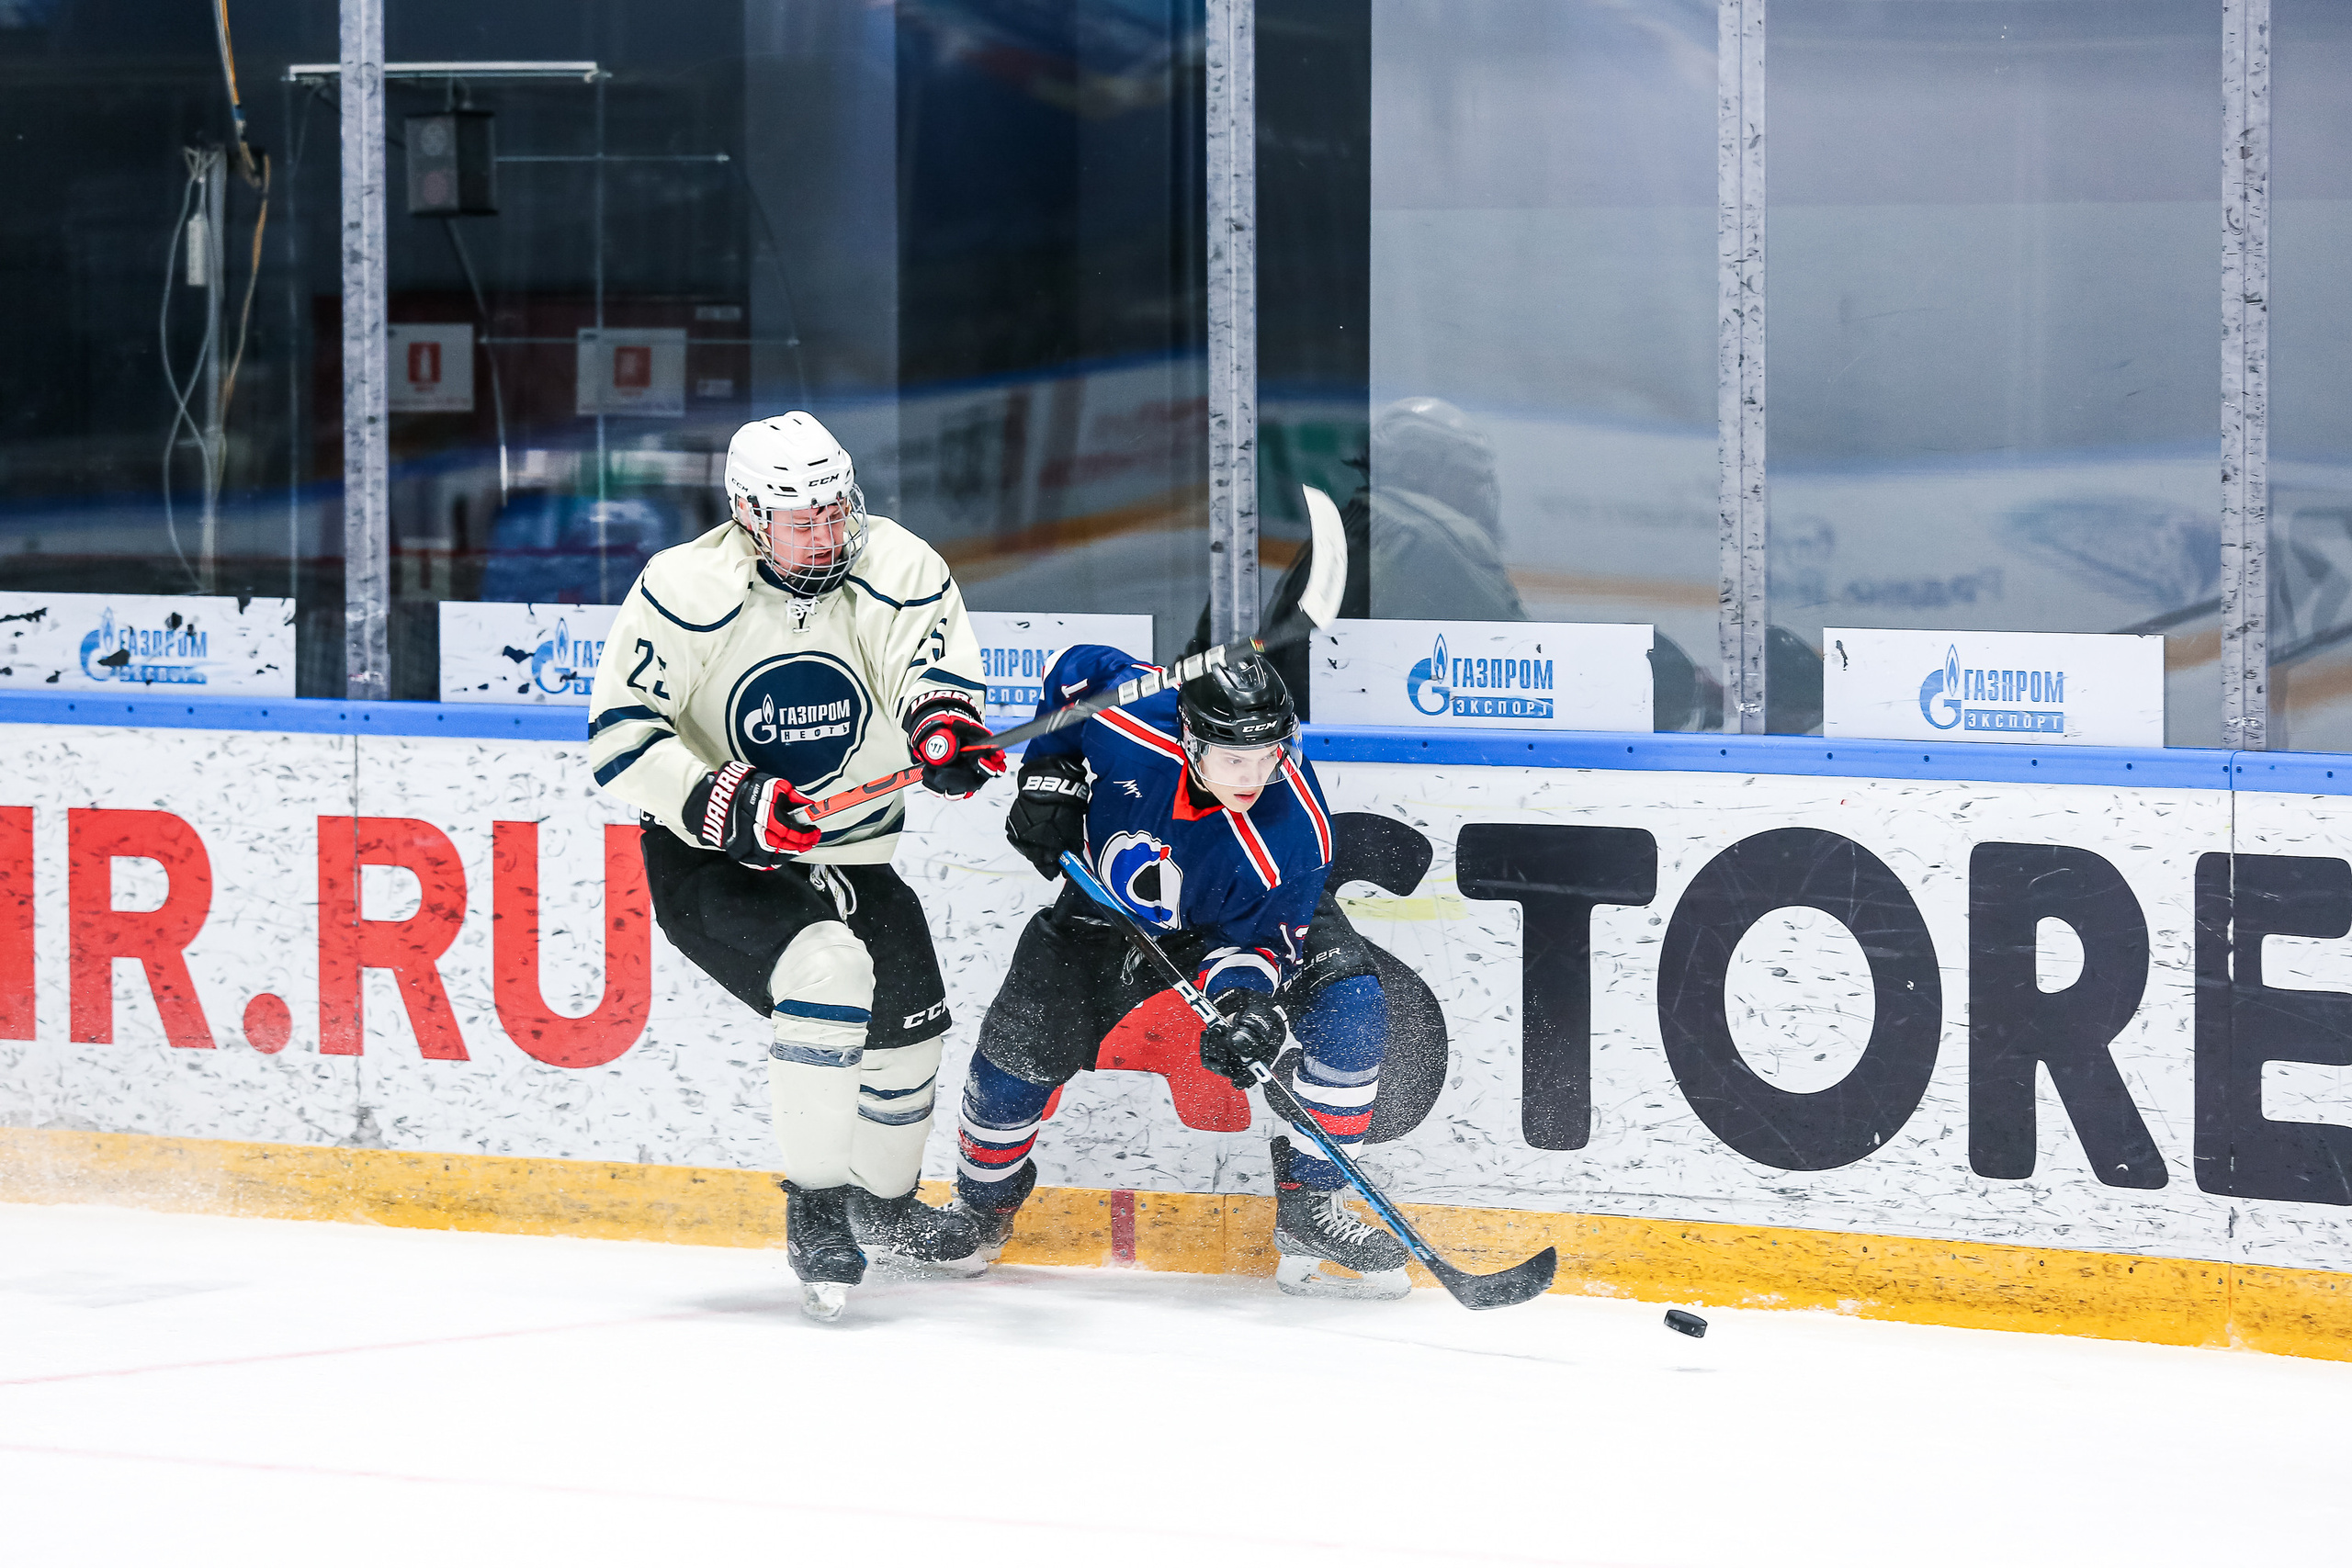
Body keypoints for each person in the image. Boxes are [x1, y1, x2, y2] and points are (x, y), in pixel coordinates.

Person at [586, 412, 1005, 1321]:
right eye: (801, 517)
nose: (826, 532)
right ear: (747, 513)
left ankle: (882, 1211)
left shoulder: (897, 566)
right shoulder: (684, 588)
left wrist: (943, 727)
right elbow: (619, 741)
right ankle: (816, 1210)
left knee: (911, 1042)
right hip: (714, 861)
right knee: (830, 968)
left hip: (851, 858)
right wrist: (720, 798)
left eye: (834, 509)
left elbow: (926, 675)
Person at [950, 646, 1412, 1299]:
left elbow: (1259, 944)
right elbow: (1071, 667)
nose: (1255, 774)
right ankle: (980, 1210)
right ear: (1189, 739)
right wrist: (1049, 773)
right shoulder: (1133, 715)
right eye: (1234, 758)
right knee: (1017, 1054)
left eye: (1270, 753)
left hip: (1235, 919)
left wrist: (1244, 1003)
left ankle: (1312, 1207)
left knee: (1351, 1006)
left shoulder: (1296, 833)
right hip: (1105, 910)